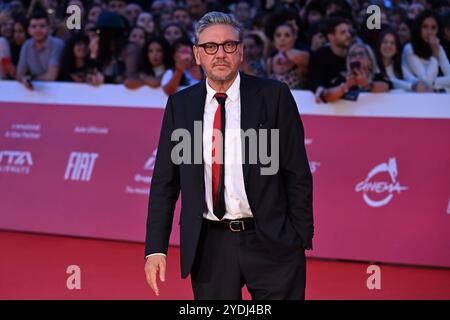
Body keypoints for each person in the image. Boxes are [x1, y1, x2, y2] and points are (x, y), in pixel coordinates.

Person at [144, 11, 313, 300]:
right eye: (210, 47)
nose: (220, 54)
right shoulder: (180, 106)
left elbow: (296, 172)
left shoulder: (274, 97)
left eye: (228, 45)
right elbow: (165, 183)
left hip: (272, 241)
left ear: (241, 51)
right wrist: (155, 248)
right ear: (197, 55)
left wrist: (298, 238)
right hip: (210, 245)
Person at [316, 43, 391, 103]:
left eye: (361, 54)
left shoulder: (378, 76)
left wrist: (367, 85)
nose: (357, 57)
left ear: (370, 60)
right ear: (349, 61)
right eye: (353, 55)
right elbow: (327, 96)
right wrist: (346, 86)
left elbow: (385, 87)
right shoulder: (343, 79)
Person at [402, 10, 450, 91]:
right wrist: (435, 55)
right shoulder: (409, 48)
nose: (429, 32)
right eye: (425, 27)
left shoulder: (438, 47)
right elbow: (426, 81)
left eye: (433, 28)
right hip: (412, 97)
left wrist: (434, 83)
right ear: (419, 28)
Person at [16, 10, 64, 89]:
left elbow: (51, 77)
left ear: (49, 28)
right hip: (34, 93)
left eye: (42, 26)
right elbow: (19, 75)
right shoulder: (26, 45)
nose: (38, 30)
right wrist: (24, 79)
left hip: (59, 92)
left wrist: (32, 79)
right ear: (29, 30)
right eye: (34, 26)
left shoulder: (57, 44)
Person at [307, 17, 352, 92]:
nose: (348, 35)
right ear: (331, 37)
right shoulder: (320, 56)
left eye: (349, 31)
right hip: (327, 100)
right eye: (343, 32)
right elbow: (314, 81)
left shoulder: (355, 54)